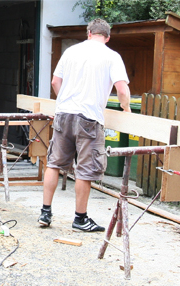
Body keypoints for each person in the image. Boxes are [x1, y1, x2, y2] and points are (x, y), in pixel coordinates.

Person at [38, 18, 131, 231]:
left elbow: (55, 82)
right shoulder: (112, 56)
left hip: (63, 115)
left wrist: (65, 101)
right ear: (107, 37)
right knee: (86, 170)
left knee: (54, 163)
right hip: (89, 118)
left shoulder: (71, 52)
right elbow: (122, 90)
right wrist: (126, 110)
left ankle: (45, 213)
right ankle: (80, 219)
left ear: (89, 33)